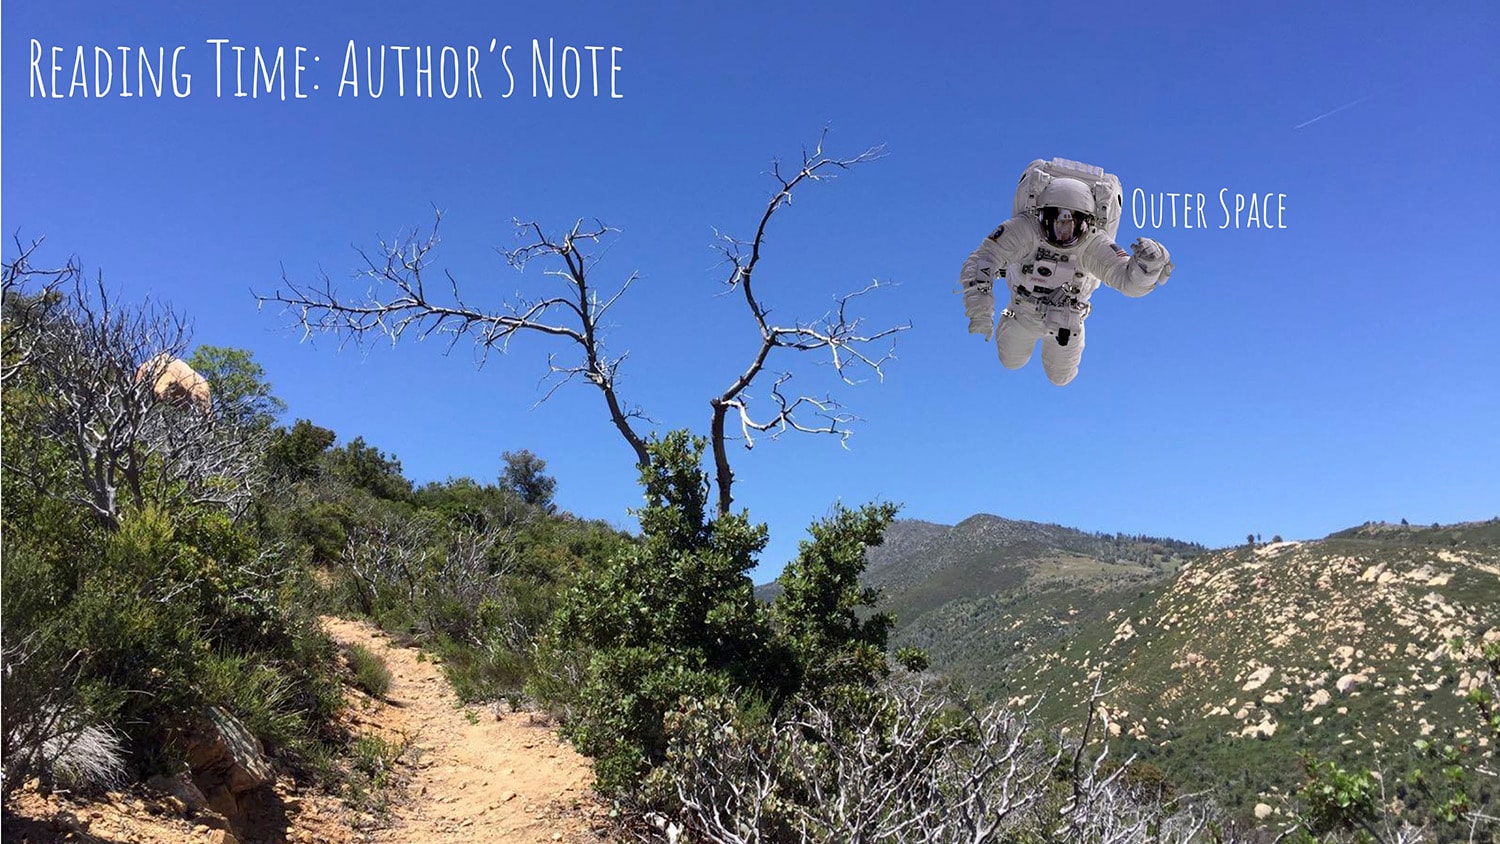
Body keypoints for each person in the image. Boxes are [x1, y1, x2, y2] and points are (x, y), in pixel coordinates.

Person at [958, 172, 1173, 385]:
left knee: (1061, 378)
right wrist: (980, 310)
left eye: (1072, 223)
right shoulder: (1025, 229)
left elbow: (1128, 282)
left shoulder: (1094, 243)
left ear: (1087, 223)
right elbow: (983, 260)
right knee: (1011, 361)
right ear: (1040, 214)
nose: (1061, 232)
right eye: (1055, 219)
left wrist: (1147, 266)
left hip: (1066, 323)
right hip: (1021, 313)